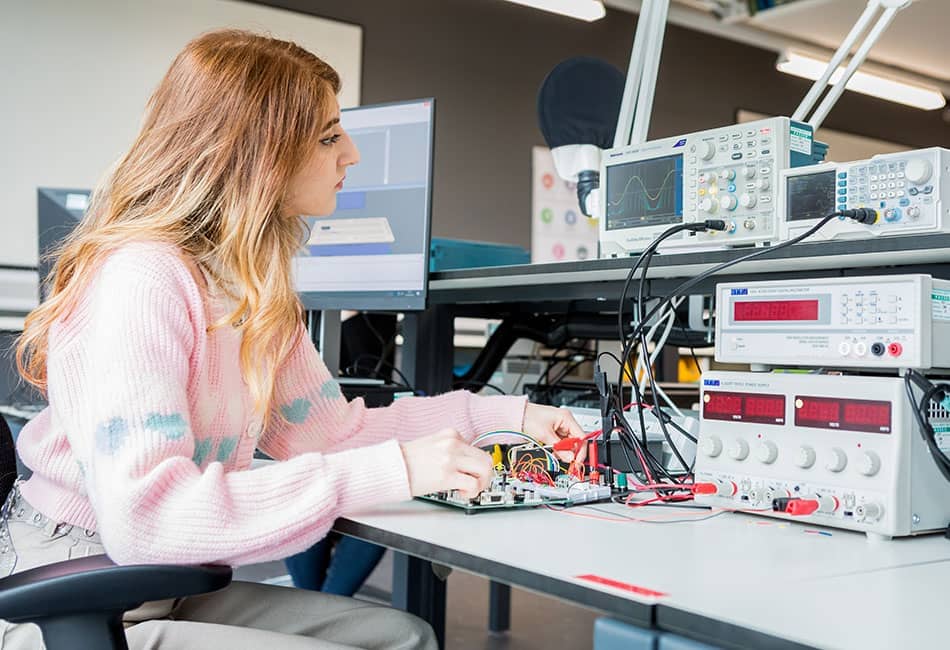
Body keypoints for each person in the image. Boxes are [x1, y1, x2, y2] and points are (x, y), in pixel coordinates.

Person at [5, 29, 586, 649]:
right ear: (259, 153)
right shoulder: (141, 278)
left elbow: (335, 435)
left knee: (404, 637)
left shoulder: (250, 290)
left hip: (156, 580)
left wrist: (510, 417)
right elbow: (149, 518)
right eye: (329, 135)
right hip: (69, 593)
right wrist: (398, 471)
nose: (352, 153)